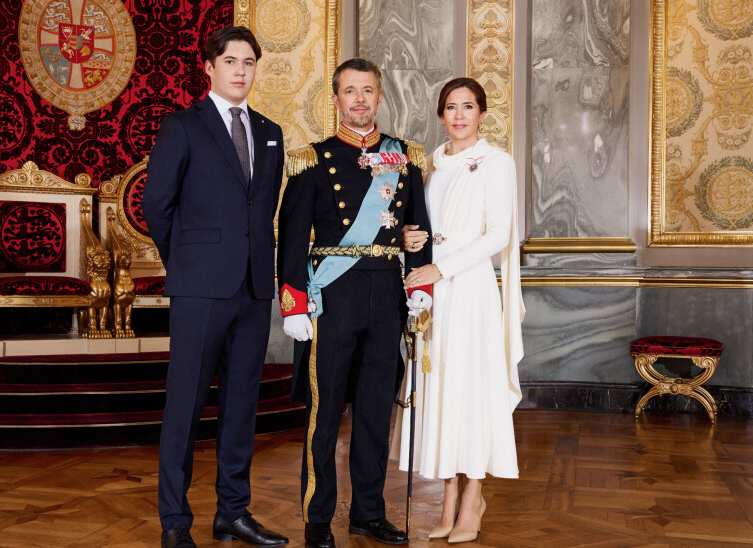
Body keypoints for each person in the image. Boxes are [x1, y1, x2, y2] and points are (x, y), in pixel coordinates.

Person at [277, 57, 433, 548]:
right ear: (336, 98)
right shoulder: (311, 159)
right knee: (324, 414)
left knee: (373, 411)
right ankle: (318, 516)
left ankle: (368, 512)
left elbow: (418, 227)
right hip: (333, 296)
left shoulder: (404, 159)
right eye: (350, 91)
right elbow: (291, 237)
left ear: (380, 97)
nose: (360, 100)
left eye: (368, 91)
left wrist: (420, 286)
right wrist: (293, 304)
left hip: (386, 294)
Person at [143, 26, 288, 548]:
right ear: (210, 65)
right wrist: (185, 262)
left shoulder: (271, 132)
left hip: (253, 289)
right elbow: (155, 205)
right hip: (200, 289)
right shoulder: (183, 126)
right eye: (231, 60)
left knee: (241, 406)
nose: (241, 70)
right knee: (184, 406)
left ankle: (233, 512)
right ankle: (175, 522)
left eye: (249, 61)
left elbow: (265, 209)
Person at [395, 77, 525, 544]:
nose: (459, 115)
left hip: (467, 290)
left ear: (482, 114)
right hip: (434, 292)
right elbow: (424, 229)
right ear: (441, 114)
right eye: (450, 107)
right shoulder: (430, 166)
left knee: (469, 390)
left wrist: (439, 268)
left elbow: (497, 235)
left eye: (468, 107)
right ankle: (448, 494)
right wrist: (411, 242)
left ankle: (473, 495)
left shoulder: (496, 162)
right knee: (440, 389)